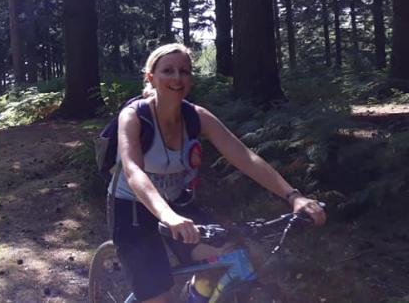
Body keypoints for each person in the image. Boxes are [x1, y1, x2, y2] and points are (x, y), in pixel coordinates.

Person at [110, 43, 326, 303]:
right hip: (132, 207)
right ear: (151, 77)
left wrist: (294, 196)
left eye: (185, 71)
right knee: (158, 297)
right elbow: (133, 170)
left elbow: (245, 157)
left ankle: (194, 296)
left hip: (177, 203)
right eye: (168, 71)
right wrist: (167, 215)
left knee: (223, 258)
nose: (177, 78)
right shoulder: (134, 116)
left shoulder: (197, 117)